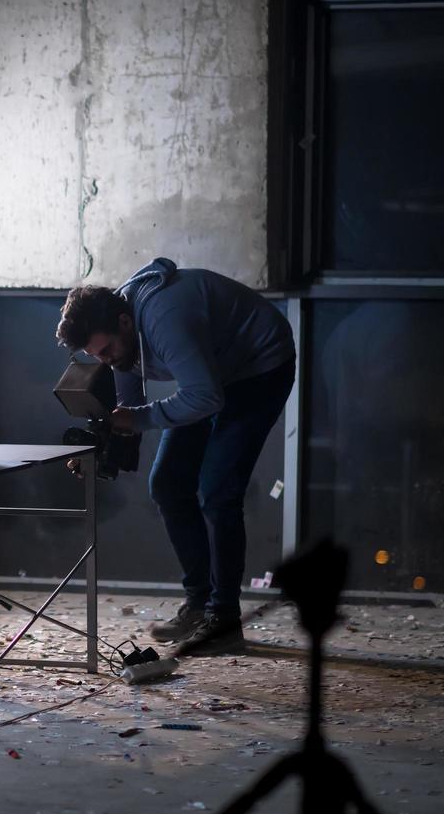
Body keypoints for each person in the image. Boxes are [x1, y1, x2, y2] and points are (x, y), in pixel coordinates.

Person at [55, 258, 295, 656]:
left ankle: (224, 619)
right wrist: (103, 452)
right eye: (95, 355)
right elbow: (128, 409)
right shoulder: (121, 338)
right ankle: (198, 604)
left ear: (124, 323)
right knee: (166, 484)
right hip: (211, 375)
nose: (105, 359)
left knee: (218, 491)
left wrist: (137, 420)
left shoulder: (166, 318)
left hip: (259, 366)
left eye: (107, 349)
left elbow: (203, 399)